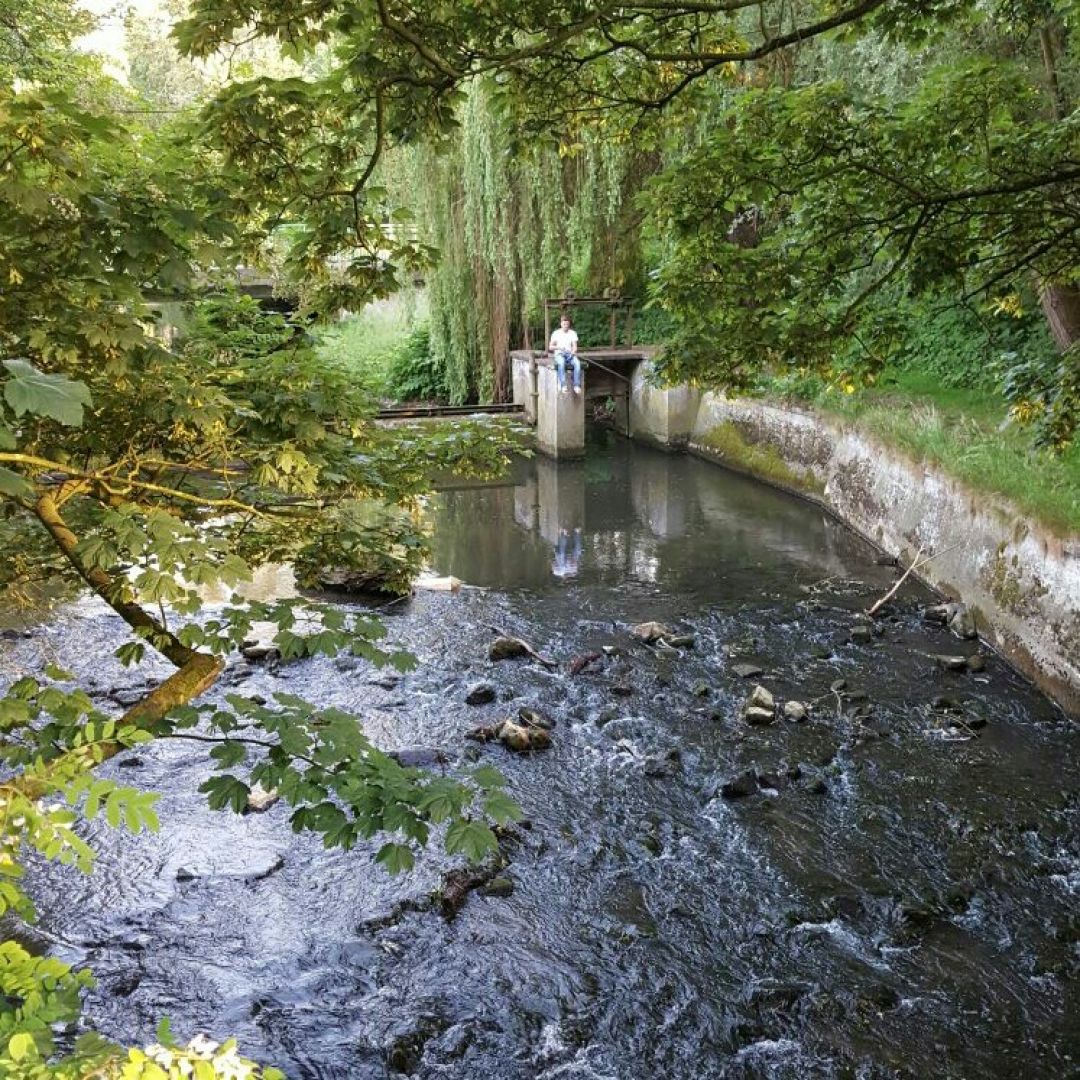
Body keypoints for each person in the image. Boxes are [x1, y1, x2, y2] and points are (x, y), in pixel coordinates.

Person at [549, 314, 582, 395]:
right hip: (559, 354)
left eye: (567, 324)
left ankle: (576, 385)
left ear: (569, 324)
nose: (565, 326)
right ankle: (563, 385)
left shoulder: (573, 333)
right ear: (561, 324)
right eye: (564, 324)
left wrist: (573, 352)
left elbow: (575, 347)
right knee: (561, 363)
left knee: (577, 363)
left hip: (570, 355)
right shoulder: (556, 333)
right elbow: (550, 347)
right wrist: (559, 347)